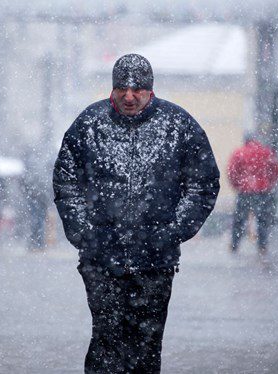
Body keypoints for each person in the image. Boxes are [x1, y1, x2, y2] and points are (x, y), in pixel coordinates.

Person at [53, 54, 220, 373]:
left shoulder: (178, 125)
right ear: (112, 89)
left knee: (146, 344)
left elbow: (203, 183)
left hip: (155, 260)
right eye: (121, 88)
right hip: (101, 258)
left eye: (137, 89)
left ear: (150, 90)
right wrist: (81, 230)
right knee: (106, 340)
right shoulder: (90, 123)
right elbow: (66, 178)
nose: (129, 95)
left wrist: (174, 230)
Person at [226, 132, 278, 254]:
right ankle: (262, 246)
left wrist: (238, 185)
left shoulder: (239, 153)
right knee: (262, 220)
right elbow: (276, 170)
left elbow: (232, 171)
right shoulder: (267, 152)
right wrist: (268, 183)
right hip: (263, 191)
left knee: (239, 220)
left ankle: (234, 246)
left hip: (245, 191)